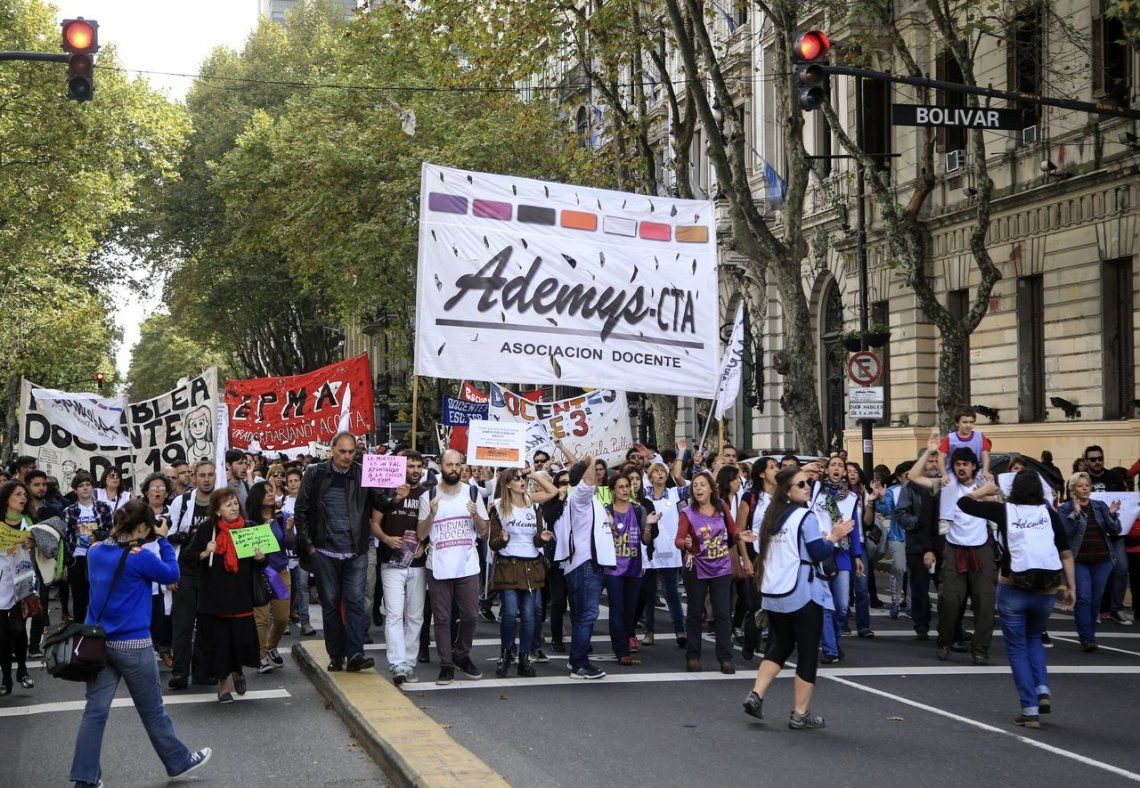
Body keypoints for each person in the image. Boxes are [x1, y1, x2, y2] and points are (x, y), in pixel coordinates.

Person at [68, 500, 212, 786]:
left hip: (98, 643)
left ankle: (85, 779)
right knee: (152, 711)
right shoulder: (140, 557)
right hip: (133, 643)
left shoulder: (95, 551)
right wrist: (163, 540)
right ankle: (178, 761)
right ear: (144, 527)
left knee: (94, 712)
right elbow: (172, 575)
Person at [956, 470, 1075, 729]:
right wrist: (1071, 587)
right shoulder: (1050, 515)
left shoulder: (1005, 511)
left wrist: (982, 491)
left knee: (1017, 647)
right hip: (1046, 588)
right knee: (1034, 638)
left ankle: (1029, 708)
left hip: (1013, 586)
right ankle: (1042, 688)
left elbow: (963, 503)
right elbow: (1065, 553)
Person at [743, 467, 853, 730]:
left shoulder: (772, 518)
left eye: (808, 482)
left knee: (780, 645)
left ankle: (756, 694)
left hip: (774, 593)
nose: (807, 486)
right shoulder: (805, 516)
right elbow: (817, 552)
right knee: (806, 652)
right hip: (803, 593)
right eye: (801, 484)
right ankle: (800, 713)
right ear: (788, 492)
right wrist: (835, 537)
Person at [294, 432, 379, 673]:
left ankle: (355, 653)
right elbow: (301, 511)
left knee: (355, 602)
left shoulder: (364, 472)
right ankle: (336, 655)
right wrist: (310, 547)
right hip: (323, 551)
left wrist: (396, 497)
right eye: (342, 451)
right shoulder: (315, 473)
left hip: (355, 551)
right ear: (332, 450)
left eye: (351, 451)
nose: (347, 456)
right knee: (330, 604)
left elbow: (380, 503)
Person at [911, 434, 997, 664]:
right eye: (957, 464)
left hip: (981, 549)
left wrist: (989, 490)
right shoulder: (945, 484)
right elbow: (913, 476)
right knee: (949, 601)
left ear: (973, 466)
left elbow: (1002, 498)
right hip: (954, 548)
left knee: (985, 601)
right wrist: (930, 452)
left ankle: (980, 649)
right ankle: (944, 641)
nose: (961, 468)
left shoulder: (985, 485)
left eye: (965, 464)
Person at [417, 449, 490, 685]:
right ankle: (446, 664)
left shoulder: (472, 492)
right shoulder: (428, 496)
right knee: (442, 618)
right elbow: (420, 533)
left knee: (469, 614)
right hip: (438, 566)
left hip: (467, 566)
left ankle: (461, 654)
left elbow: (485, 531)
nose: (454, 469)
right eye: (449, 465)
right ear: (440, 466)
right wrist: (432, 514)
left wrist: (475, 516)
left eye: (458, 465)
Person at [676, 471, 753, 674]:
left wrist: (741, 536)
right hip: (696, 568)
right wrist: (686, 543)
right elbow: (678, 539)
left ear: (711, 488)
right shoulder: (688, 513)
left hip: (721, 567)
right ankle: (693, 655)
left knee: (722, 614)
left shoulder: (722, 507)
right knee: (694, 613)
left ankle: (725, 658)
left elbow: (733, 530)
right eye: (695, 486)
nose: (699, 489)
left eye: (702, 485)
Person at [190, 488, 262, 703]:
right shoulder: (207, 529)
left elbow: (261, 563)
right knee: (219, 643)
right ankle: (223, 685)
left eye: (235, 503)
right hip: (214, 598)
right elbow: (188, 559)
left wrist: (260, 558)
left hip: (240, 596)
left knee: (238, 640)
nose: (233, 507)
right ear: (217, 511)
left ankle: (237, 671)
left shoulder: (248, 528)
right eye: (228, 504)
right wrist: (204, 552)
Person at [489, 467, 554, 678]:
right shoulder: (498, 507)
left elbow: (553, 492)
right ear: (507, 484)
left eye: (522, 478)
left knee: (528, 616)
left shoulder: (533, 504)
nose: (521, 481)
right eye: (516, 479)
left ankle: (524, 657)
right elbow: (493, 543)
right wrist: (503, 539)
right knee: (508, 613)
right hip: (508, 565)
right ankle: (506, 653)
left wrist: (542, 538)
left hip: (531, 566)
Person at [555, 452, 615, 680]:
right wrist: (590, 459)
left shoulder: (584, 499)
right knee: (587, 614)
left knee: (582, 614)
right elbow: (586, 479)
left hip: (586, 564)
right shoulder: (580, 496)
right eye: (594, 470)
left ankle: (575, 660)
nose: (599, 473)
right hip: (584, 565)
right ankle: (580, 663)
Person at [373, 450, 430, 685]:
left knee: (415, 616)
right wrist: (386, 539)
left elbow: (431, 526)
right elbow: (374, 523)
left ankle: (408, 662)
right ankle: (397, 663)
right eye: (410, 466)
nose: (415, 470)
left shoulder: (427, 494)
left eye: (419, 466)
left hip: (417, 563)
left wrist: (424, 545)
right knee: (395, 614)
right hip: (391, 562)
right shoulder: (386, 489)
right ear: (400, 467)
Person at [165, 461, 217, 689]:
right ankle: (179, 672)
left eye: (210, 475)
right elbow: (170, 536)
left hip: (212, 573)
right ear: (194, 477)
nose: (207, 479)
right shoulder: (182, 501)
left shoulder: (220, 501)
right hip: (186, 570)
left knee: (207, 625)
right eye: (202, 475)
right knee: (183, 624)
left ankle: (202, 671)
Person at [811, 455, 867, 663]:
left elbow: (854, 528)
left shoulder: (851, 497)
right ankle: (830, 648)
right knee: (826, 604)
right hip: (821, 550)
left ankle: (832, 639)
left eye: (840, 466)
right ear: (826, 470)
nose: (836, 468)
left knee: (842, 604)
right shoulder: (816, 492)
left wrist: (858, 554)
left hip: (842, 553)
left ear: (845, 472)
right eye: (832, 465)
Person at [1057, 472, 1121, 652]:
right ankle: (1087, 638)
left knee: (1096, 599)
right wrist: (1076, 515)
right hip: (1079, 560)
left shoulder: (1100, 506)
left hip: (1103, 559)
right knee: (1084, 597)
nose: (1085, 488)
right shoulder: (1065, 508)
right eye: (1080, 485)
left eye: (1087, 485)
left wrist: (1112, 515)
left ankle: (1090, 634)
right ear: (1073, 489)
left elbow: (1116, 530)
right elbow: (1065, 534)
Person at [603, 472, 656, 666]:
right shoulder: (606, 511)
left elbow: (645, 540)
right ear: (613, 491)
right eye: (621, 487)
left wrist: (649, 526)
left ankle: (625, 640)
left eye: (627, 486)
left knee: (630, 610)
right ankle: (621, 650)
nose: (625, 489)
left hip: (634, 567)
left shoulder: (638, 509)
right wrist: (607, 526)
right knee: (617, 609)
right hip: (613, 568)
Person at [636, 461, 687, 649]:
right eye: (656, 472)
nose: (660, 474)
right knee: (649, 594)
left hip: (670, 550)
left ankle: (680, 630)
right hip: (649, 550)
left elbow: (690, 486)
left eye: (662, 471)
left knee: (671, 591)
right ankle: (649, 631)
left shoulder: (674, 494)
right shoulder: (643, 497)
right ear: (649, 477)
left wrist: (680, 456)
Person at [895, 449, 941, 641]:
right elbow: (901, 513)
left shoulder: (944, 484)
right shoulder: (910, 487)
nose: (933, 464)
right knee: (920, 587)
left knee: (947, 588)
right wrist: (921, 522)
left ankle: (949, 626)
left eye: (937, 460)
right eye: (930, 460)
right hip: (917, 543)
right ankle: (921, 624)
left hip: (941, 542)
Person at [1082, 445, 1131, 626]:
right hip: (1092, 532)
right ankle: (1095, 609)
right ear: (1086, 461)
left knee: (1121, 568)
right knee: (1095, 572)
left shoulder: (1114, 478)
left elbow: (1124, 502)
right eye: (1093, 459)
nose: (1097, 462)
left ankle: (1116, 608)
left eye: (1100, 458)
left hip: (1114, 531)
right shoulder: (1082, 479)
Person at [247, 481, 293, 674]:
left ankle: (272, 646)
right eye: (265, 492)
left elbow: (289, 544)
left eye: (271, 491)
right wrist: (262, 531)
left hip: (281, 572)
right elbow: (249, 549)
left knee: (282, 617)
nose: (270, 494)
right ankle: (262, 655)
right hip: (260, 573)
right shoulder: (249, 521)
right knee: (261, 618)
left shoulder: (281, 517)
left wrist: (290, 530)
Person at [735, 457, 777, 659]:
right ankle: (751, 641)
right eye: (772, 467)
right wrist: (746, 559)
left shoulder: (785, 496)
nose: (776, 470)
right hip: (756, 554)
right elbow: (739, 531)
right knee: (757, 604)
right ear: (762, 474)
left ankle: (772, 652)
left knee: (777, 605)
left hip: (779, 557)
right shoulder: (750, 497)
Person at [63, 472, 115, 624]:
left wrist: (98, 536)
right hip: (77, 556)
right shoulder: (69, 511)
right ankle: (80, 631)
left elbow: (112, 532)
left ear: (93, 487)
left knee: (99, 595)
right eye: (81, 486)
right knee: (79, 597)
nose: (85, 488)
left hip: (99, 556)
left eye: (88, 485)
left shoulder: (104, 508)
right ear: (75, 490)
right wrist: (65, 563)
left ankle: (98, 630)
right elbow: (65, 538)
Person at [0, 480, 35, 695]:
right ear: (6, 499)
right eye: (18, 494)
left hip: (22, 583)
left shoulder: (28, 522)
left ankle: (22, 669)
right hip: (1, 583)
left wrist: (34, 543)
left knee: (18, 629)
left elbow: (47, 545)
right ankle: (6, 678)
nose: (23, 498)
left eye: (24, 494)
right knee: (1, 636)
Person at [140, 473, 174, 669]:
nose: (158, 491)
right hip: (144, 570)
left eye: (162, 487)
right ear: (146, 492)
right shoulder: (139, 513)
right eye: (154, 487)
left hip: (167, 567)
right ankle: (146, 650)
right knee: (147, 613)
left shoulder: (173, 512)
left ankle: (164, 649)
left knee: (165, 614)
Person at [869, 462, 910, 619]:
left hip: (915, 537)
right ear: (899, 477)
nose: (909, 478)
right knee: (899, 567)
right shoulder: (893, 491)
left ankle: (911, 605)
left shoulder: (919, 490)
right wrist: (882, 497)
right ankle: (895, 600)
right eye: (906, 475)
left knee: (913, 571)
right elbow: (885, 510)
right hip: (897, 536)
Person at [281, 467, 314, 636]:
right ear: (286, 485)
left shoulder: (309, 501)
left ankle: (305, 622)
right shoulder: (281, 502)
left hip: (302, 553)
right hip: (285, 554)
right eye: (290, 481)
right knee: (286, 589)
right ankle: (284, 621)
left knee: (302, 587)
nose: (293, 484)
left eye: (296, 480)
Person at [939, 406, 992, 478]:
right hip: (954, 473)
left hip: (975, 472)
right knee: (949, 486)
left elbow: (985, 455)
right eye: (965, 422)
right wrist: (944, 474)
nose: (968, 425)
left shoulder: (980, 436)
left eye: (971, 422)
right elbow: (941, 458)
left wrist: (985, 471)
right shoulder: (949, 438)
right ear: (957, 423)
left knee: (988, 483)